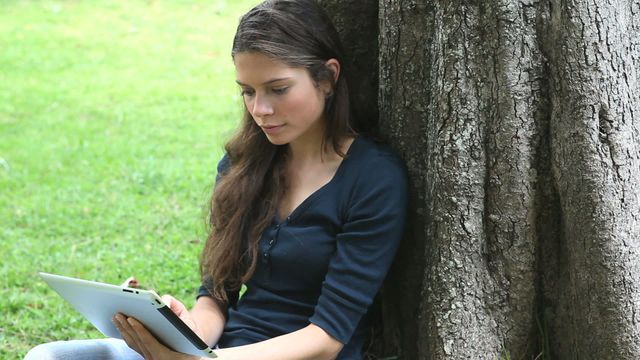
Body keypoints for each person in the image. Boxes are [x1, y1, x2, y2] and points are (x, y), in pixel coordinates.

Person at [24, 0, 408, 359]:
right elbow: (215, 296)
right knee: (46, 356)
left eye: (278, 89)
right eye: (248, 92)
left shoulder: (374, 179)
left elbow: (326, 339)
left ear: (327, 78)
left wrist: (208, 359)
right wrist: (180, 329)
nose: (261, 109)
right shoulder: (242, 164)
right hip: (220, 351)